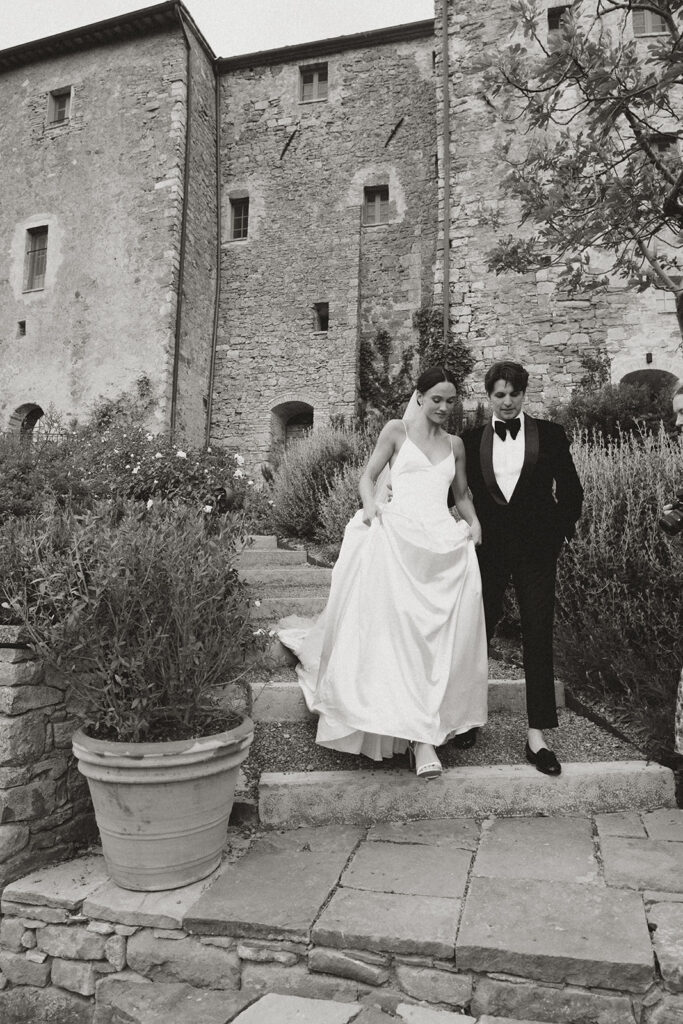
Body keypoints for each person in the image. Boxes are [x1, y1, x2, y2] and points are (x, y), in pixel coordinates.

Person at [278, 366, 488, 780]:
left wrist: (475, 523)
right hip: (397, 539)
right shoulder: (396, 431)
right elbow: (368, 476)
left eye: (451, 400)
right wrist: (371, 505)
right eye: (436, 400)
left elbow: (460, 494)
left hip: (440, 545)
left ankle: (428, 723)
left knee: (438, 638)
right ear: (420, 396)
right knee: (399, 635)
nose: (444, 408)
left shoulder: (456, 444)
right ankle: (417, 738)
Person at [459, 361, 583, 775]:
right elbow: (454, 496)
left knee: (537, 633)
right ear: (488, 396)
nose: (507, 402)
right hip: (487, 553)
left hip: (536, 553)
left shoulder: (550, 434)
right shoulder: (470, 439)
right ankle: (467, 719)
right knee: (477, 632)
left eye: (514, 394)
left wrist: (555, 537)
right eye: (499, 395)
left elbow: (571, 492)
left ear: (524, 394)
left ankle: (537, 736)